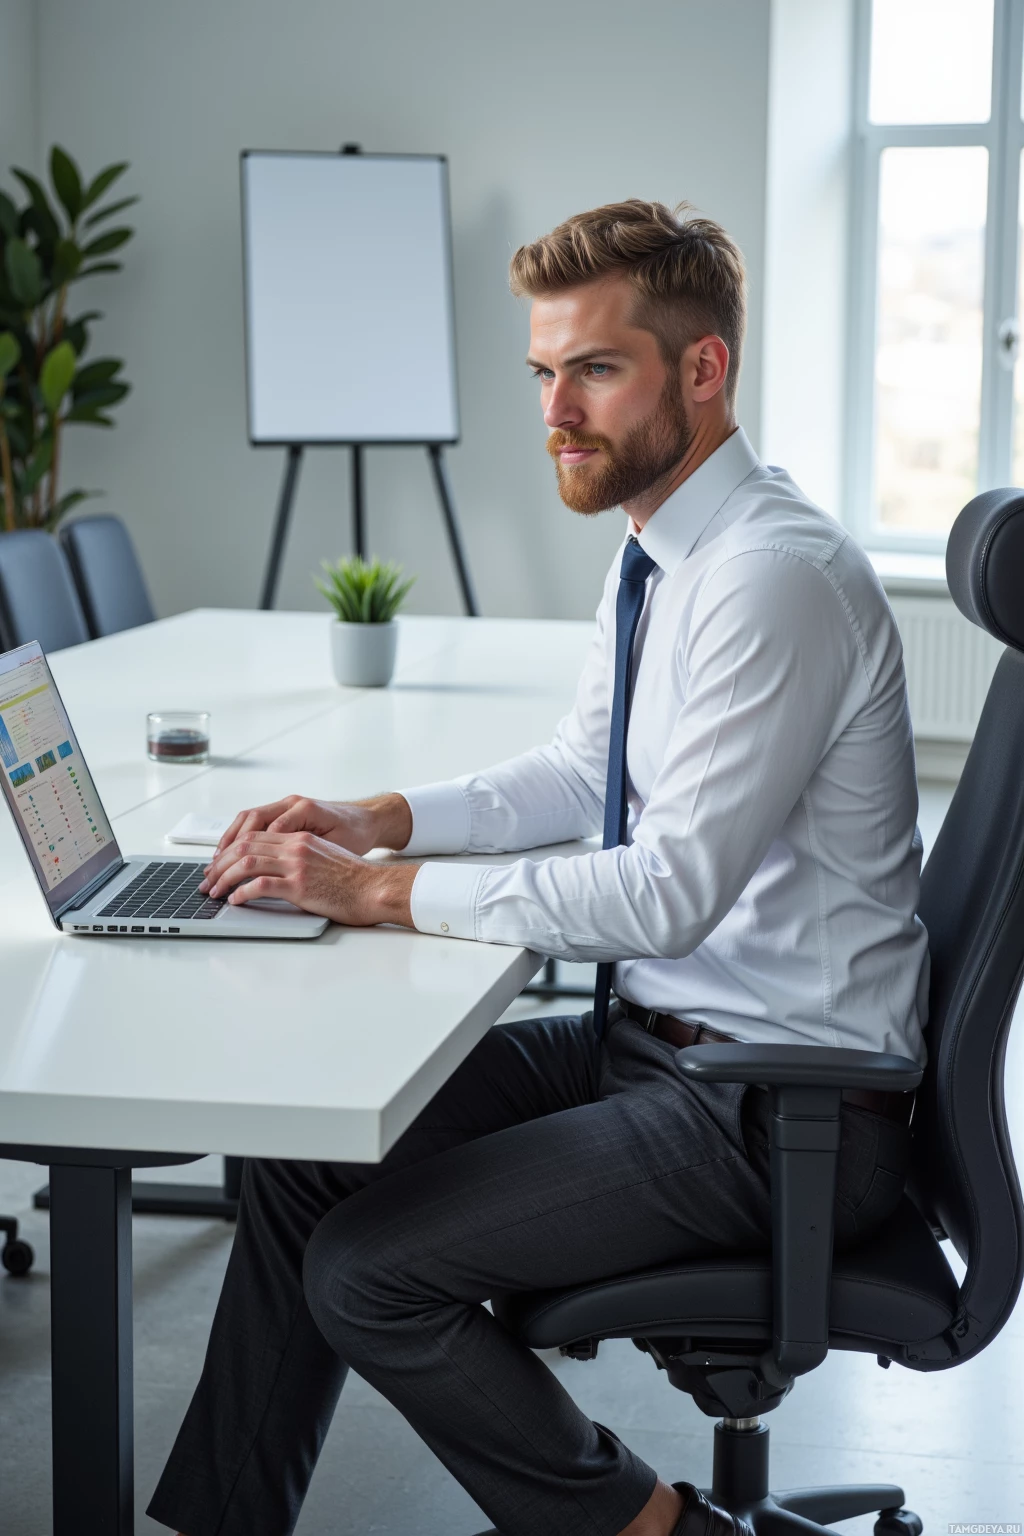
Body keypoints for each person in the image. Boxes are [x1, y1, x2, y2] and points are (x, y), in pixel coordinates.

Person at [149, 200, 929, 1536]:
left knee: (369, 1273)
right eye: (544, 374)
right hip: (667, 1045)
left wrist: (373, 896)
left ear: (701, 370)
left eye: (595, 369)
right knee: (306, 1164)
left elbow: (666, 890)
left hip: (776, 1109)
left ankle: (657, 1531)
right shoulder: (662, 550)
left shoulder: (767, 581)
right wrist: (372, 820)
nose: (556, 409)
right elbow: (579, 773)